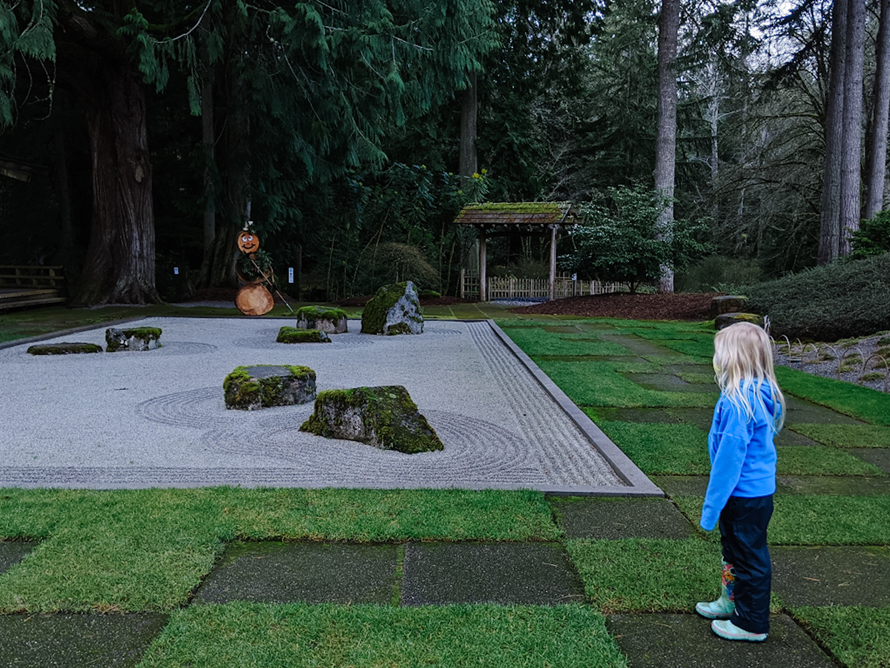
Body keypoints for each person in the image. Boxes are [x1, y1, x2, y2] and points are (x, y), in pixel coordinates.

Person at [695, 321, 785, 642]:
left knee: (749, 558)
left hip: (742, 496)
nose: (716, 360)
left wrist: (710, 508)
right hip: (755, 495)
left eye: (720, 354)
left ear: (736, 358)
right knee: (735, 551)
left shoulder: (737, 404)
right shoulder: (758, 396)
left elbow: (727, 465)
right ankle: (729, 601)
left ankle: (751, 623)